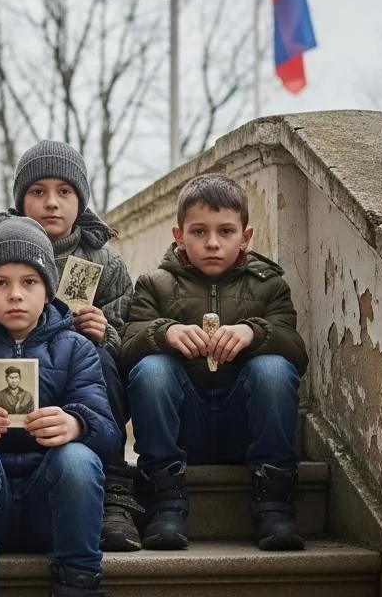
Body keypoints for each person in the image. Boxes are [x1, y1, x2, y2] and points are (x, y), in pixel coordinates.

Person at [0, 217, 118, 597]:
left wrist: (76, 424)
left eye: (29, 282)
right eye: (1, 283)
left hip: (48, 504)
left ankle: (78, 583)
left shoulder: (77, 346)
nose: (16, 294)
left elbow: (110, 436)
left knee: (78, 459)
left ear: (48, 292)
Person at [120, 173, 309, 552]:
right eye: (199, 232)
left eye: (225, 231)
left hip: (243, 423)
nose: (212, 243)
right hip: (182, 425)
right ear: (179, 236)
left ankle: (273, 504)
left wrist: (255, 332)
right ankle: (165, 503)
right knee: (152, 370)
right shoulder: (153, 284)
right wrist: (163, 332)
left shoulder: (269, 284)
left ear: (246, 236)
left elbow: (296, 352)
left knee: (273, 369)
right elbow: (125, 354)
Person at [0, 139, 142, 551]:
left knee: (102, 357)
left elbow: (133, 338)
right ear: (21, 199)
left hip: (79, 384)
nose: (51, 202)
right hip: (14, 367)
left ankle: (113, 490)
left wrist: (104, 330)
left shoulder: (105, 261)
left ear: (80, 199)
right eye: (38, 191)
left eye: (64, 191)